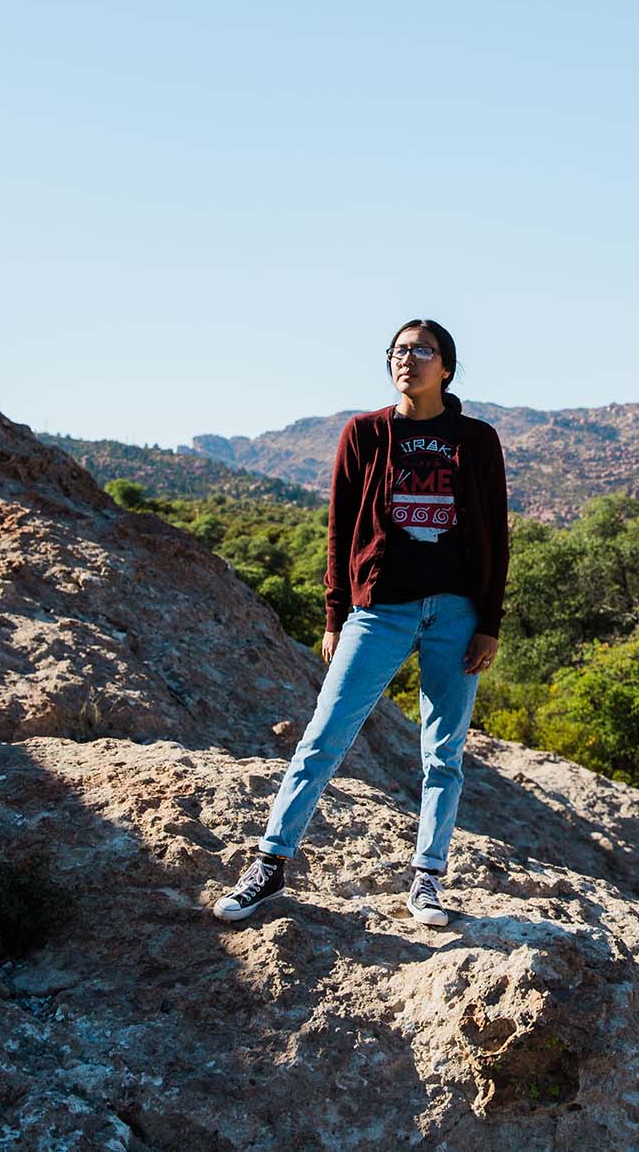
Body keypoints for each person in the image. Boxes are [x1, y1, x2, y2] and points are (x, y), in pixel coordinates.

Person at [213, 320, 509, 926]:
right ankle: (270, 863)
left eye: (422, 351)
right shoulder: (366, 433)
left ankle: (427, 879)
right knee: (323, 736)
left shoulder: (476, 440)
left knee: (443, 752)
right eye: (398, 351)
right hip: (381, 609)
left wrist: (490, 622)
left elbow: (496, 536)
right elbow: (340, 526)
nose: (408, 359)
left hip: (456, 612)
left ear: (447, 367)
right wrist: (334, 613)